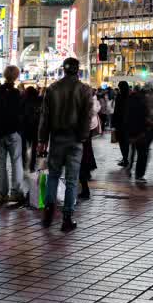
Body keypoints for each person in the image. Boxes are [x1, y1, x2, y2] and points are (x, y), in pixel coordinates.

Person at [37, 57, 93, 231]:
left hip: (57, 137)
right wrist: (83, 136)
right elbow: (87, 116)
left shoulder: (53, 89)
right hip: (75, 138)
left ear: (63, 69)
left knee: (53, 175)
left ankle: (48, 212)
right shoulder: (84, 90)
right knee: (71, 179)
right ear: (77, 70)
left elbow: (44, 117)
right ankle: (67, 218)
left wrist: (42, 139)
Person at [0, 65, 25, 206]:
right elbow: (20, 114)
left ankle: (1, 193)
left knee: (1, 163)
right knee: (16, 162)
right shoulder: (17, 93)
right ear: (16, 77)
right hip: (13, 132)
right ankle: (16, 192)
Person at [20, 85, 41, 172]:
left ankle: (23, 164)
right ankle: (32, 166)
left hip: (24, 127)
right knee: (34, 148)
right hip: (36, 127)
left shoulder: (23, 100)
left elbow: (20, 114)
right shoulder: (39, 100)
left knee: (23, 147)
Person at [112, 81, 132, 168]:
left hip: (120, 123)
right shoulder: (130, 96)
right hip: (128, 123)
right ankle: (126, 158)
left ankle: (125, 158)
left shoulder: (119, 97)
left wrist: (113, 123)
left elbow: (116, 111)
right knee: (126, 142)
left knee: (122, 142)